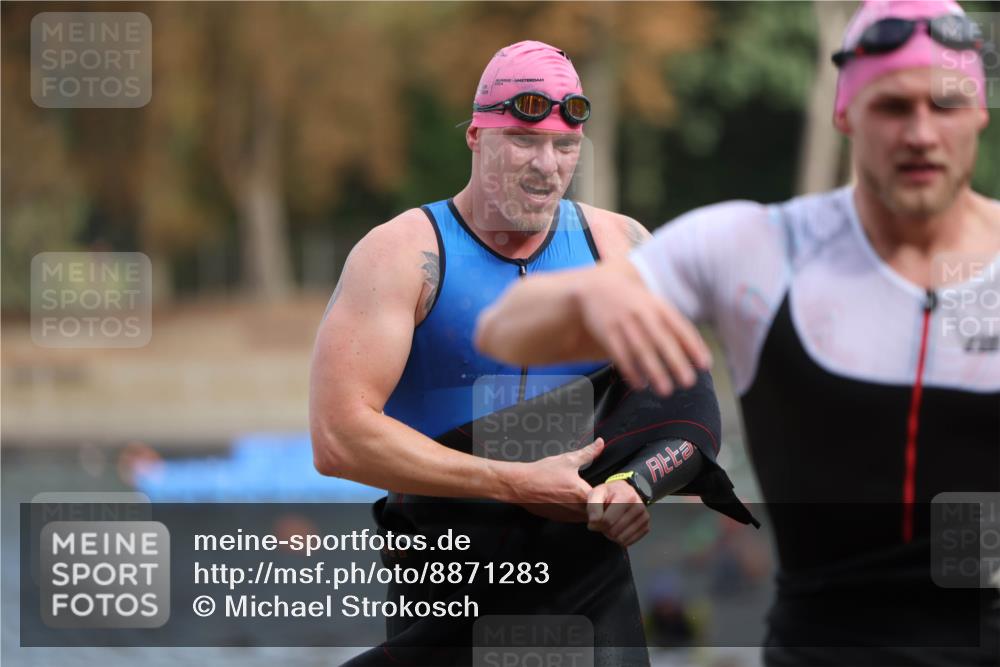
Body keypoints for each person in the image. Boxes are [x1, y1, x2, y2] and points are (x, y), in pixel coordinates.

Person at [475, 2, 1000, 665]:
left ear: (980, 113)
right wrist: (595, 296)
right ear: (846, 113)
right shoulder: (756, 248)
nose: (921, 133)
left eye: (946, 105)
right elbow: (505, 331)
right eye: (893, 106)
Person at [310, 40, 729, 666]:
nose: (546, 167)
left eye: (565, 146)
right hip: (449, 581)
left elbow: (685, 404)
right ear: (476, 136)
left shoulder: (620, 247)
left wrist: (636, 486)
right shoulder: (400, 256)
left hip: (586, 579)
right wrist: (512, 482)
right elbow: (337, 438)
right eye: (524, 142)